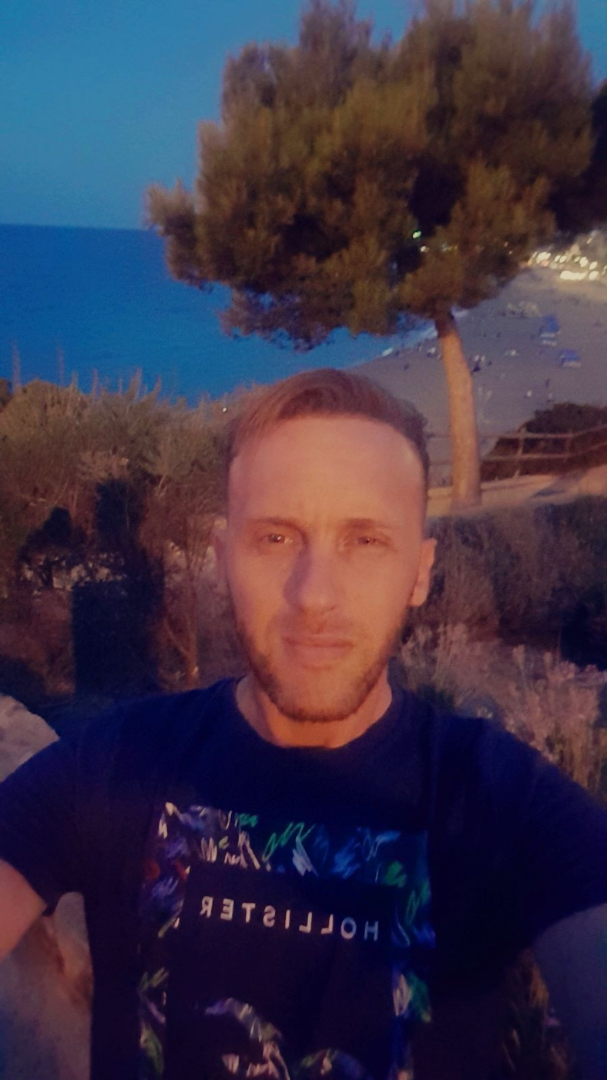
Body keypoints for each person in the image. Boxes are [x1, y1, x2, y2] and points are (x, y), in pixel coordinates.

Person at [0, 368, 606, 1080]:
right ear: (223, 560)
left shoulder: (500, 799)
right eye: (276, 537)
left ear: (419, 570)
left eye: (365, 540)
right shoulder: (114, 763)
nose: (314, 595)